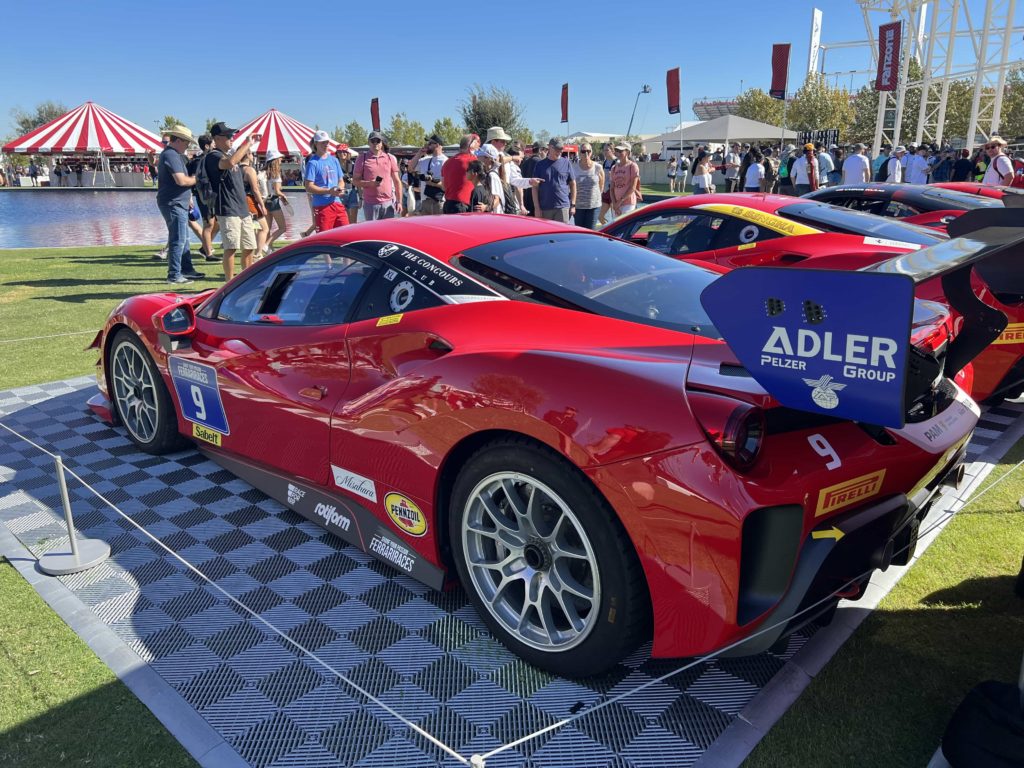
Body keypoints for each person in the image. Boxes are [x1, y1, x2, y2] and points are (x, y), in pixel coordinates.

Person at [206, 121, 257, 281]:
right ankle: (230, 282)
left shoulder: (229, 155)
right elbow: (229, 163)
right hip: (227, 208)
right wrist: (247, 144)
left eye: (232, 135)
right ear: (216, 138)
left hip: (242, 209)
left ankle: (246, 280)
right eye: (228, 136)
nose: (231, 138)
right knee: (231, 247)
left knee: (249, 246)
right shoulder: (213, 156)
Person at [156, 124, 204, 284]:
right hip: (173, 203)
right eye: (186, 142)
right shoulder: (171, 155)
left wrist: (188, 196)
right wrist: (199, 180)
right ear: (178, 140)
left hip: (177, 202)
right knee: (178, 239)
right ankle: (174, 274)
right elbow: (181, 180)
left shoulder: (173, 154)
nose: (188, 145)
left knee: (183, 239)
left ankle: (186, 269)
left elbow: (181, 181)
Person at [305, 129, 350, 230]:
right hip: (322, 206)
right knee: (324, 239)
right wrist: (329, 191)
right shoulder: (313, 163)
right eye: (322, 142)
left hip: (337, 203)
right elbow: (308, 186)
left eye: (327, 142)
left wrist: (339, 189)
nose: (326, 144)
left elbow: (341, 180)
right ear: (316, 143)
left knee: (346, 233)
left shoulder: (334, 160)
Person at [530, 138, 578, 222]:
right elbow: (534, 188)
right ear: (550, 147)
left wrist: (573, 204)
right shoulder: (540, 165)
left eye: (561, 149)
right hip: (545, 208)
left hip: (562, 207)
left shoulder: (566, 163)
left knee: (563, 234)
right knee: (547, 235)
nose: (559, 151)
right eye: (557, 149)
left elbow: (573, 184)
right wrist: (537, 208)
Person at [188, 134, 219, 261]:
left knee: (217, 223)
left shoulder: (212, 158)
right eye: (213, 143)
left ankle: (204, 247)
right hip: (204, 196)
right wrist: (190, 196)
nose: (215, 145)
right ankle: (208, 254)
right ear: (207, 146)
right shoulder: (198, 161)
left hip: (213, 196)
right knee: (209, 224)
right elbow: (193, 180)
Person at [409, 134, 446, 216]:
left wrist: (433, 183)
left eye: (430, 143)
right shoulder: (425, 160)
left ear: (437, 145)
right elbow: (410, 168)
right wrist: (419, 153)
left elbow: (448, 185)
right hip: (425, 201)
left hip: (440, 202)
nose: (427, 145)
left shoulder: (446, 161)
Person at [442, 133, 479, 214]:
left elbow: (443, 187)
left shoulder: (447, 162)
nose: (478, 147)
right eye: (477, 144)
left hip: (448, 204)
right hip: (463, 204)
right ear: (471, 145)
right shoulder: (472, 160)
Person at [262, 148, 289, 253]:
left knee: (267, 228)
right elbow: (277, 191)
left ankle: (269, 248)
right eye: (280, 158)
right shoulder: (276, 174)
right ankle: (266, 245)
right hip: (273, 201)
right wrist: (283, 196)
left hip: (265, 201)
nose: (281, 159)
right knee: (282, 228)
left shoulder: (263, 172)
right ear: (276, 160)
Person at [573, 142, 604, 229]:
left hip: (594, 206)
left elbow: (601, 184)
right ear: (579, 152)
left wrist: (596, 197)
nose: (586, 153)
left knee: (591, 232)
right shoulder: (574, 167)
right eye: (583, 151)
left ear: (591, 152)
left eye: (588, 151)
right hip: (578, 206)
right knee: (579, 232)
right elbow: (571, 186)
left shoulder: (598, 167)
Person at [609, 142, 640, 218]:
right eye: (617, 151)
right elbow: (612, 188)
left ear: (627, 152)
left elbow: (632, 188)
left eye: (621, 151)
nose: (618, 153)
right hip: (616, 204)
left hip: (628, 203)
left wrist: (620, 202)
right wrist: (614, 204)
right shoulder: (614, 168)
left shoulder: (633, 166)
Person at [474, 144, 504, 213]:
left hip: (495, 217)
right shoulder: (487, 174)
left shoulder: (492, 176)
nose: (477, 158)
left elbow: (497, 199)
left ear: (487, 158)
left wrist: (485, 207)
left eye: (479, 156)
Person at [520, 141, 545, 218]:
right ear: (541, 150)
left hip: (525, 201)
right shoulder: (541, 163)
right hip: (538, 202)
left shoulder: (524, 163)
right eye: (546, 150)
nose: (547, 153)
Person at [598, 143, 618, 224]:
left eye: (607, 150)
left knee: (615, 218)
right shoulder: (605, 162)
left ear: (612, 151)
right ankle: (608, 231)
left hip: (614, 193)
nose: (605, 152)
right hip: (606, 192)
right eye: (604, 150)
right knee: (600, 216)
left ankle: (615, 234)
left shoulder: (617, 161)